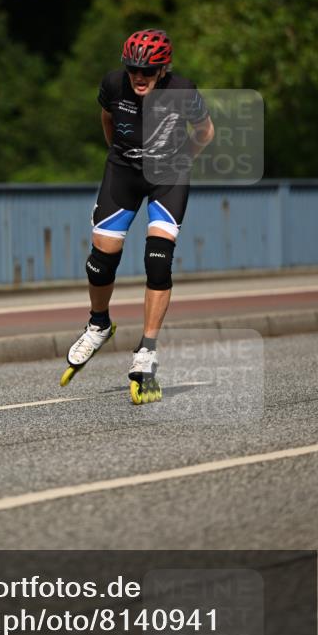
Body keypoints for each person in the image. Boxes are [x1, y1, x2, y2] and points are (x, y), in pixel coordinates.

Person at [65, 29, 214, 403]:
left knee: (158, 260)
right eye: (133, 69)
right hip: (124, 172)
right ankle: (98, 324)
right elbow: (107, 120)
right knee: (101, 260)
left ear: (164, 68)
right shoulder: (113, 85)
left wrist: (183, 161)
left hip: (169, 177)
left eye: (148, 69)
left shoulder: (183, 91)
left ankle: (146, 350)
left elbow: (205, 131)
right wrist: (121, 158)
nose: (139, 76)